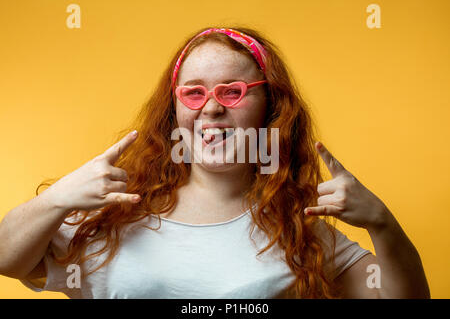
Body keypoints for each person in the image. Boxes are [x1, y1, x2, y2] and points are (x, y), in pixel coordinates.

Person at [0, 27, 430, 299]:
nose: (211, 109)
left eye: (232, 91)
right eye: (194, 93)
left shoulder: (301, 229)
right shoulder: (112, 210)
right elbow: (7, 258)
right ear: (174, 110)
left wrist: (383, 223)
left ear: (270, 107)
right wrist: (56, 201)